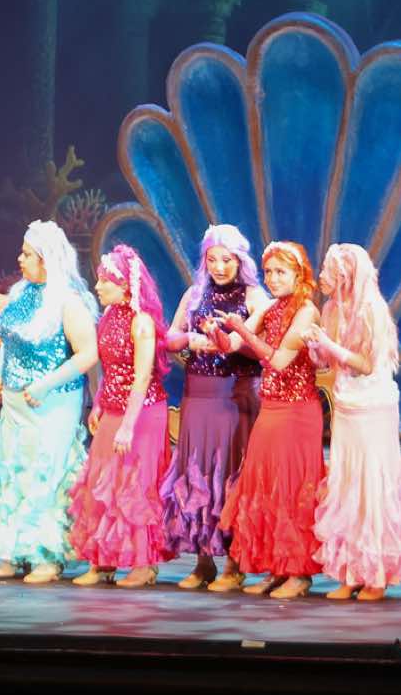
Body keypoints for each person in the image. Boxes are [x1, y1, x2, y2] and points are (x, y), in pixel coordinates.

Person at [0, 221, 100, 585]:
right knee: (15, 470)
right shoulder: (20, 294)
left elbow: (88, 353)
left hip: (53, 402)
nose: (20, 259)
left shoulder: (68, 301)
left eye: (27, 254)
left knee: (46, 472)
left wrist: (45, 384)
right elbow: (10, 339)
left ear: (46, 259)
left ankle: (46, 555)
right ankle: (14, 551)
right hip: (15, 402)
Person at [308, 243, 401, 601]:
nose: (322, 277)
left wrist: (328, 344)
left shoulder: (372, 310)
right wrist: (315, 349)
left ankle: (375, 575)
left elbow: (365, 364)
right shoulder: (331, 309)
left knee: (371, 487)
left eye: (329, 271)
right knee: (347, 485)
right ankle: (350, 572)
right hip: (346, 405)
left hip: (373, 408)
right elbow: (329, 362)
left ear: (345, 275)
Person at [214, 240, 325, 599]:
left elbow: (279, 361)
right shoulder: (271, 308)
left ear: (298, 275)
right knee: (266, 487)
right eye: (269, 272)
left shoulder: (306, 311)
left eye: (281, 272)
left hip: (297, 412)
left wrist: (243, 331)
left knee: (293, 489)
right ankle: (278, 568)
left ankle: (299, 572)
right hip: (272, 409)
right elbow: (232, 345)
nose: (273, 279)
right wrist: (216, 331)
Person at [159, 225, 268, 589]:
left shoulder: (254, 296)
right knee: (198, 474)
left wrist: (229, 340)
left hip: (234, 395)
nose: (219, 267)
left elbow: (263, 348)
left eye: (227, 260)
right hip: (198, 394)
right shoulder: (195, 294)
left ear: (240, 261)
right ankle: (203, 561)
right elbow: (170, 337)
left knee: (230, 475)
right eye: (212, 260)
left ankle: (234, 565)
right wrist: (192, 339)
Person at [68, 244, 174, 587]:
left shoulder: (141, 322)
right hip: (113, 408)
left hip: (141, 414)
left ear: (125, 285)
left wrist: (127, 426)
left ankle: (143, 564)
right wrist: (99, 402)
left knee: (135, 486)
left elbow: (142, 377)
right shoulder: (110, 316)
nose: (97, 286)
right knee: (102, 483)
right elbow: (110, 368)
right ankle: (104, 560)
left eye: (105, 281)